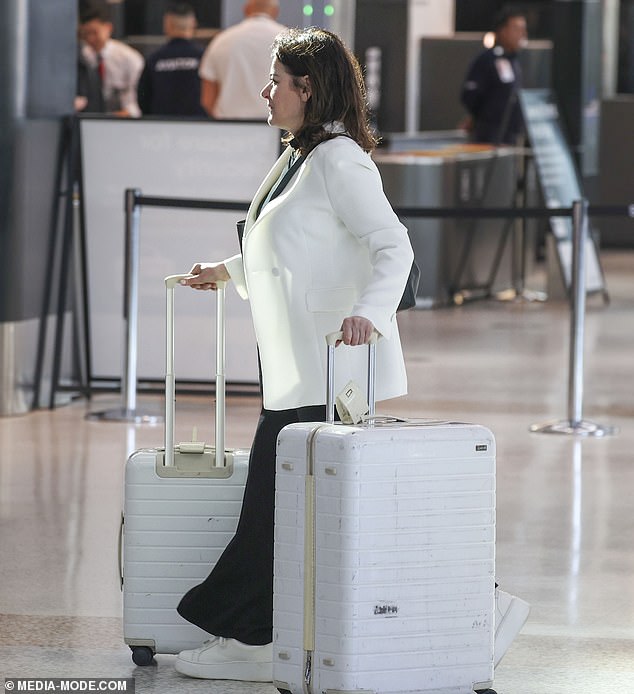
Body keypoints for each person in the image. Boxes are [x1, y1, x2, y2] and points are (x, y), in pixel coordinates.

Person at [174, 27, 414, 681]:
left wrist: (369, 311)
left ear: (308, 88)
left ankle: (253, 639)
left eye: (276, 79)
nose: (265, 89)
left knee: (270, 509)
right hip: (295, 369)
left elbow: (394, 246)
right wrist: (227, 270)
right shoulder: (298, 156)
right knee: (281, 508)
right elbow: (292, 244)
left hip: (326, 371)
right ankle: (260, 633)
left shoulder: (339, 159)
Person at [197, 0, 285, 119]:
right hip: (275, 127)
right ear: (276, 12)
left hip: (229, 125)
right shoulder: (288, 40)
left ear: (246, 10)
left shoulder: (221, 41)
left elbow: (207, 98)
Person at [460, 5, 528, 145]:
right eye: (516, 29)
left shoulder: (514, 61)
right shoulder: (488, 59)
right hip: (489, 137)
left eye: (523, 29)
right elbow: (470, 96)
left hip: (510, 137)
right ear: (503, 31)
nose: (522, 34)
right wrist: (482, 118)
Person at [136, 2, 207, 117]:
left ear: (167, 25)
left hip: (162, 128)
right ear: (193, 24)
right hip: (199, 128)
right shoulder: (204, 57)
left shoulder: (154, 60)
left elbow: (143, 98)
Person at [78, 2, 144, 117]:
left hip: (124, 120)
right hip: (91, 119)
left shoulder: (128, 58)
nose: (90, 39)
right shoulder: (83, 58)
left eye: (94, 32)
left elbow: (140, 100)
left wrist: (118, 116)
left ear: (108, 28)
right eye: (85, 34)